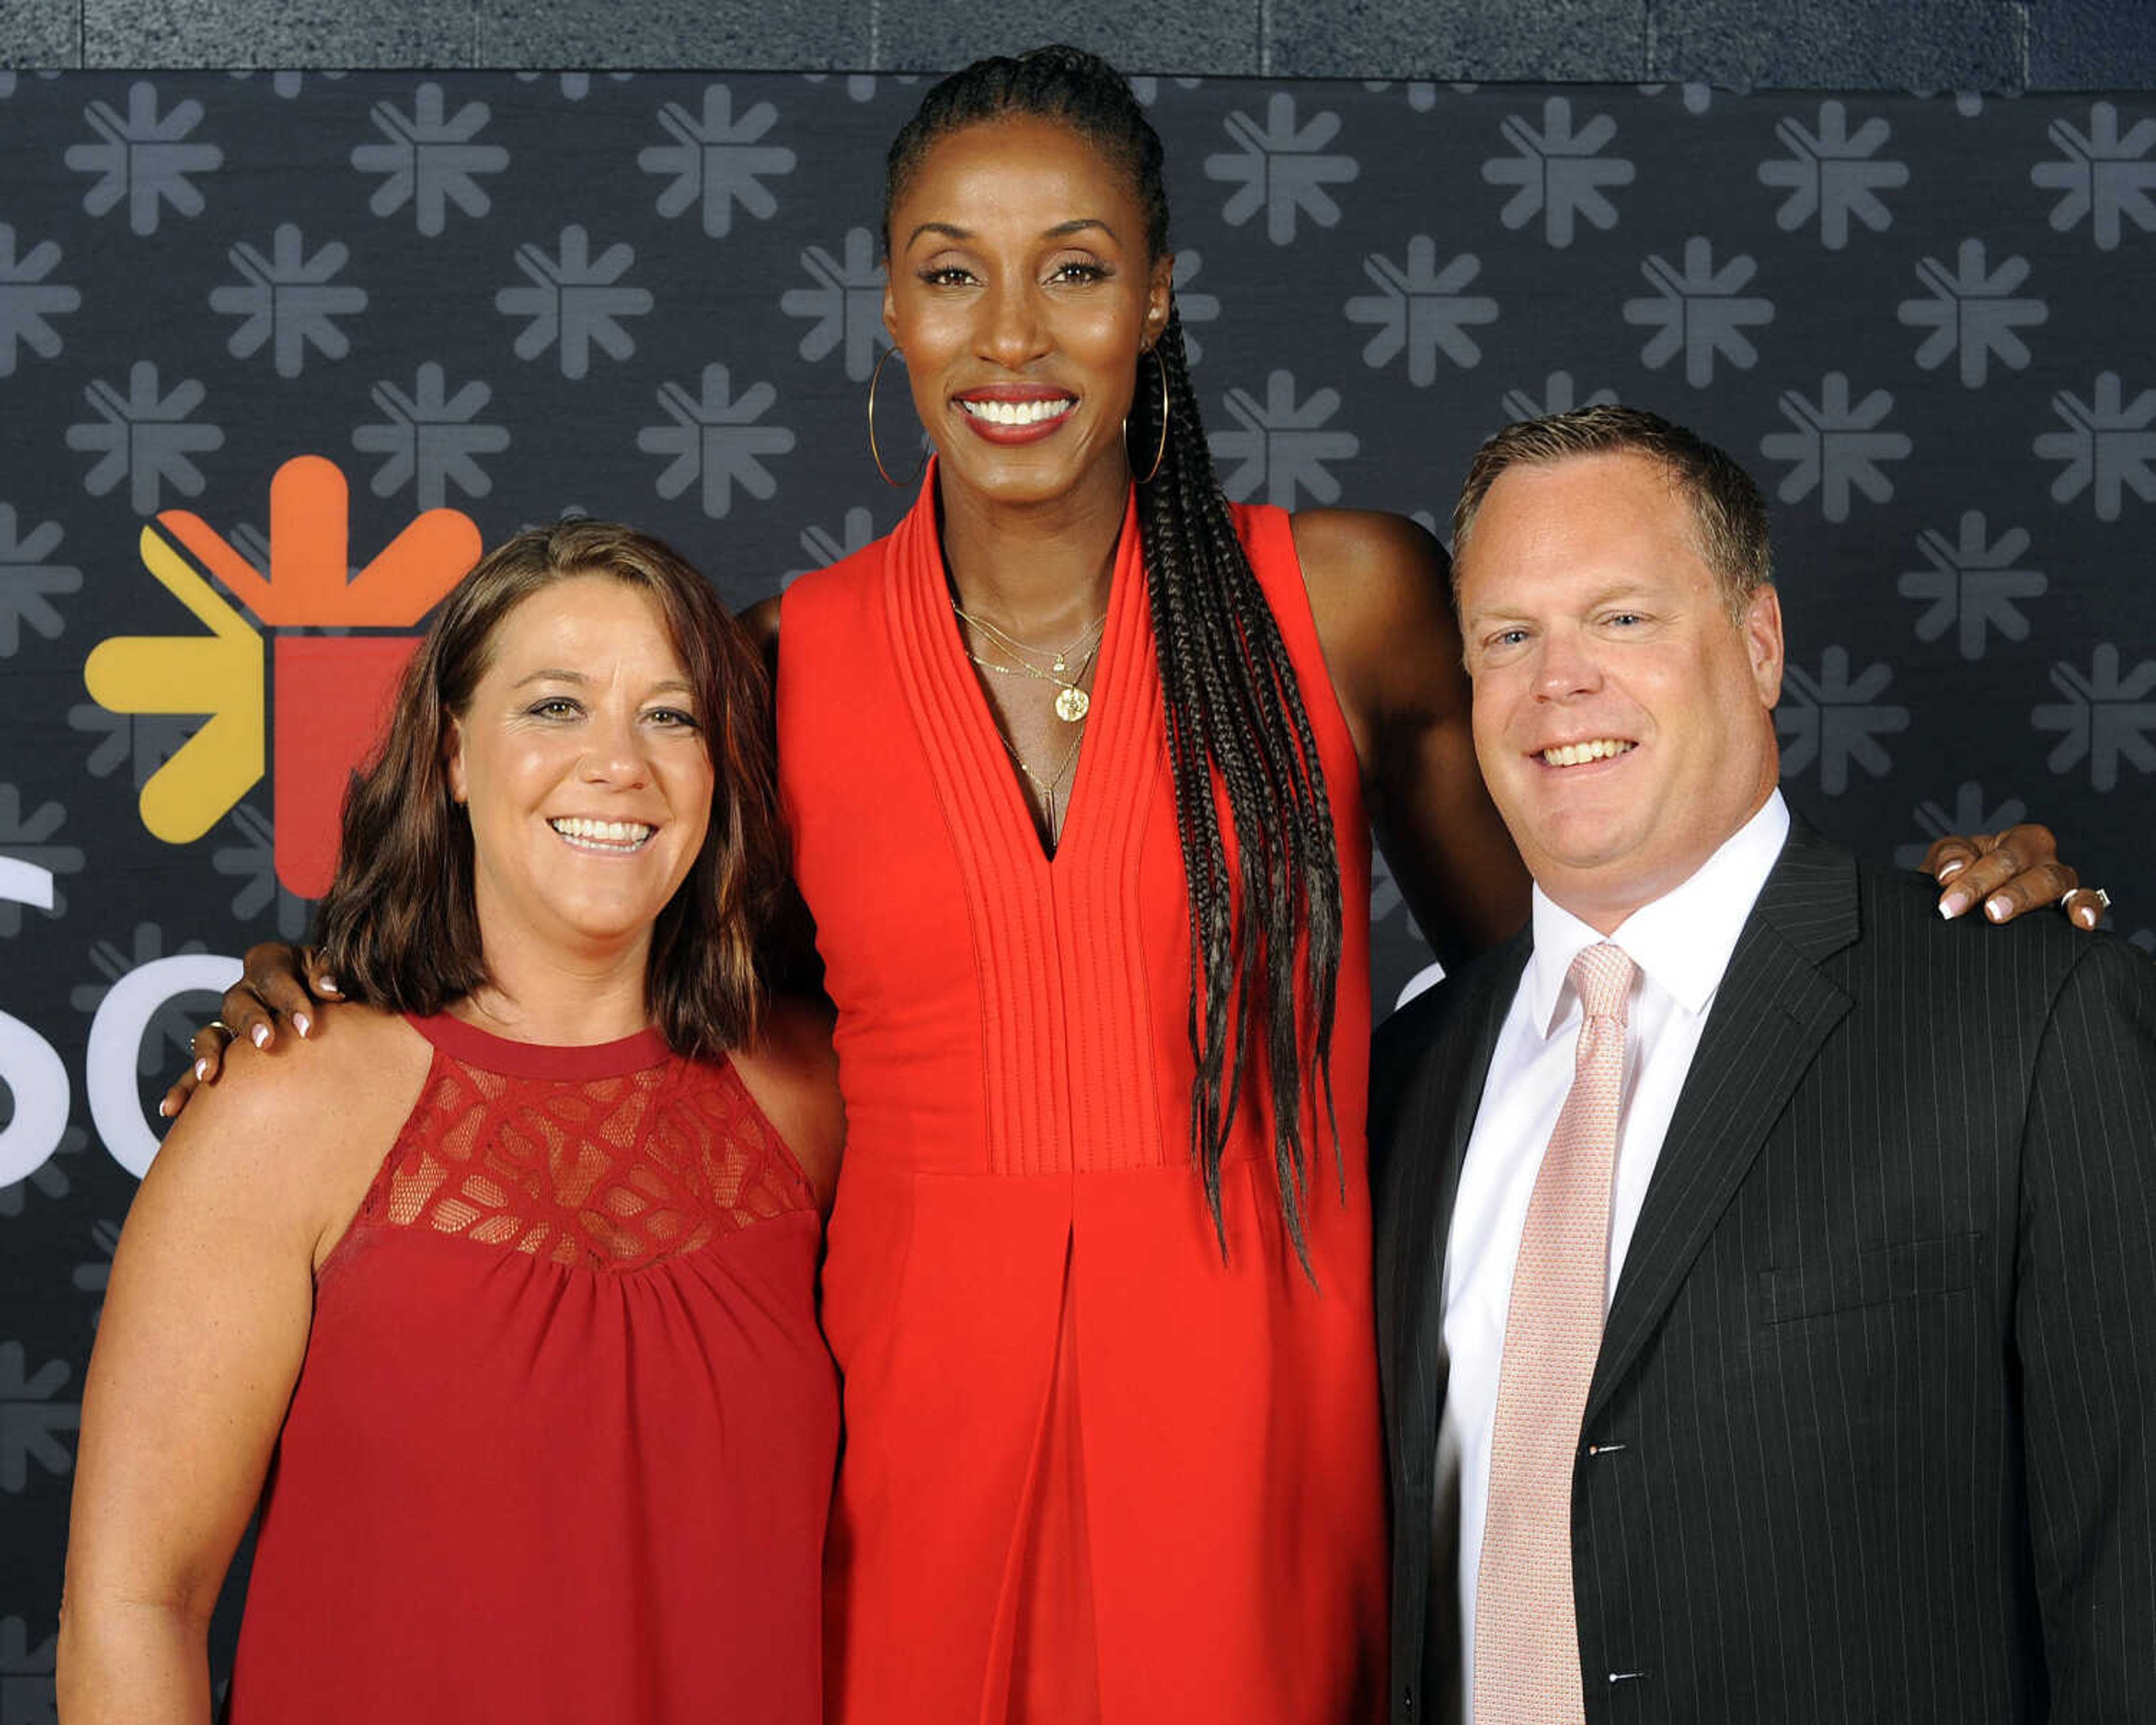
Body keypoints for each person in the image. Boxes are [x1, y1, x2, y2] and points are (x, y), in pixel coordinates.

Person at [171, 52, 2097, 1723]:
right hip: (911, 1467)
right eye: (954, 279)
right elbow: (597, 1010)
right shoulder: (775, 668)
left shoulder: (1340, 603)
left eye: (1074, 273)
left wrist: (1915, 932)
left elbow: (1594, 968)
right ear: (893, 315)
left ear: (1157, 297)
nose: (1013, 341)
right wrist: (311, 997)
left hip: (1259, 1460)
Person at [1370, 405, 2156, 1725]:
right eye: (1509, 635)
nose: (1560, 678)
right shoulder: (1405, 1078)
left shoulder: (2030, 1018)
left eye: (1622, 618)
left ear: (1759, 642)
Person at [60, 522, 846, 1723]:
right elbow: (136, 1602)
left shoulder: (819, 1103)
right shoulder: (287, 1107)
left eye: (672, 716)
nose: (616, 764)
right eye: (553, 707)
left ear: (721, 770)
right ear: (452, 756)